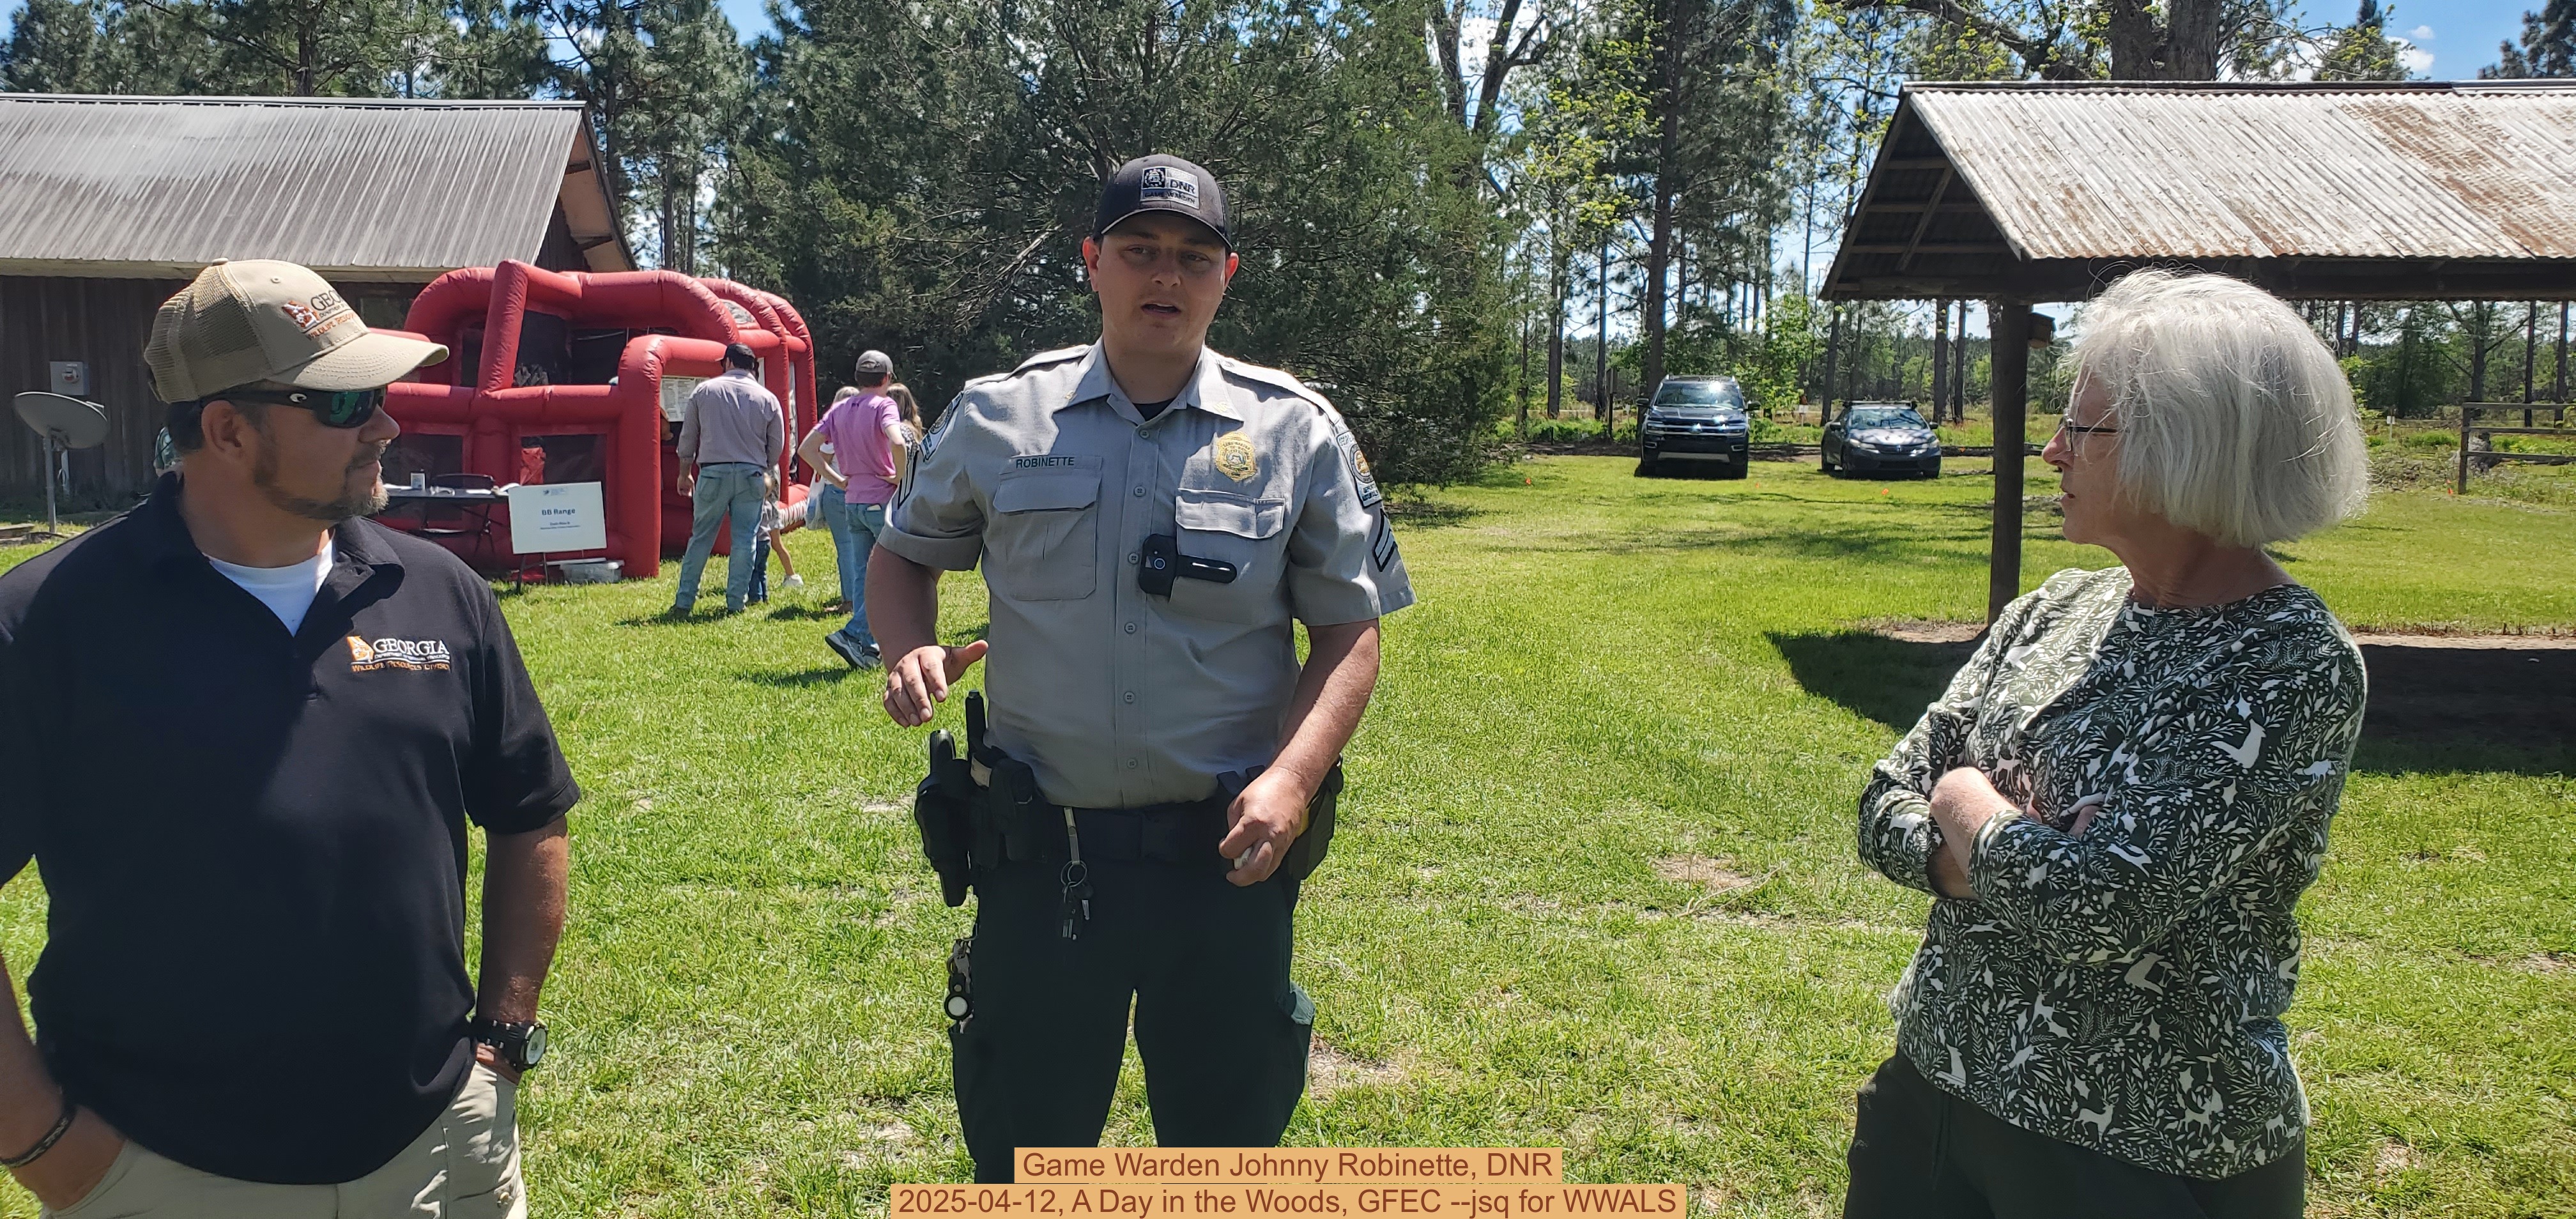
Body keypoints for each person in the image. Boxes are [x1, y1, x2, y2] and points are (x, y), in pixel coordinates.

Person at [870, 154, 1413, 1181]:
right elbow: (904, 555)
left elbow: (1353, 626)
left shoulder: (1295, 430)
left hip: (1223, 864)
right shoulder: (997, 417)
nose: (1166, 275)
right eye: (1140, 251)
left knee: (1224, 1154)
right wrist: (908, 650)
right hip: (1039, 860)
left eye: (1193, 257)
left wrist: (1292, 781)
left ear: (1226, 275)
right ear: (1093, 263)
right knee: (1027, 1155)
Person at [0, 259, 576, 1217]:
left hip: (437, 1154)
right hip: (165, 1173)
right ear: (226, 430)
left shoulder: (440, 590)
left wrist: (503, 1045)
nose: (387, 425)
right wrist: (43, 1143)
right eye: (347, 401)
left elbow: (530, 816)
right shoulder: (47, 622)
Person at [1846, 270, 2370, 1219]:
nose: (2051, 451)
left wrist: (1963, 796)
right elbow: (1881, 803)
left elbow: (2097, 911)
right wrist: (2002, 850)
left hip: (2138, 1152)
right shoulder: (2053, 610)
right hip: (1932, 1094)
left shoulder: (2290, 661)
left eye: (2083, 431)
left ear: (2190, 445)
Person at [796, 351, 908, 667]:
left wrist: (837, 479)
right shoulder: (884, 405)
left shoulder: (840, 408)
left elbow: (807, 449)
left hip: (853, 499)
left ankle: (867, 646)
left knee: (863, 575)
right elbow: (897, 443)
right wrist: (899, 476)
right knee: (891, 575)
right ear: (887, 378)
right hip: (881, 498)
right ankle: (855, 631)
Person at [671, 341, 783, 617]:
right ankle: (736, 603)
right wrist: (764, 467)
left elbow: (688, 438)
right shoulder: (768, 398)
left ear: (729, 362)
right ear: (753, 367)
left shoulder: (705, 391)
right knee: (746, 539)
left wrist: (685, 473)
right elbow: (777, 445)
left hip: (713, 472)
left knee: (701, 538)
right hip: (751, 473)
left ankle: (684, 602)